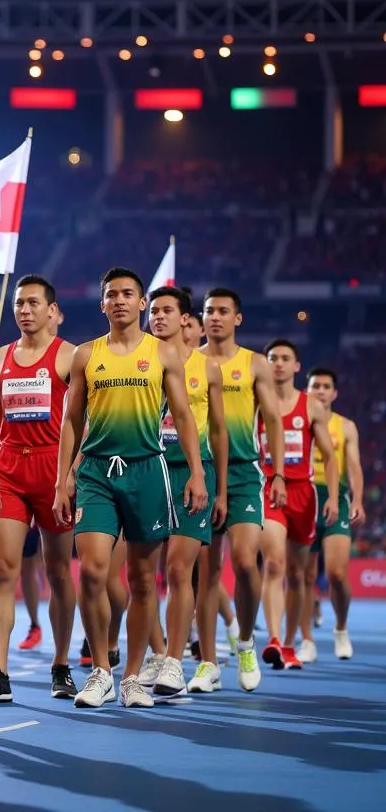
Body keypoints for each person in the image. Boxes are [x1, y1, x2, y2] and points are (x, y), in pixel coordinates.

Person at [53, 267, 207, 710]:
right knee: (94, 571)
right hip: (97, 472)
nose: (119, 301)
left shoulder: (163, 355)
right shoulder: (85, 355)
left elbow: (183, 417)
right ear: (102, 304)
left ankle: (134, 677)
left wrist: (196, 473)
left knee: (142, 580)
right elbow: (70, 421)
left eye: (127, 294)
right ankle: (101, 670)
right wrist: (65, 477)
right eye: (111, 295)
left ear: (141, 303)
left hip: (148, 470)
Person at [0, 275, 78, 704]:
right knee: (3, 568)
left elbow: (82, 424)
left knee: (57, 571)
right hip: (10, 471)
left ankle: (62, 664)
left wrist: (69, 476)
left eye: (33, 303)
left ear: (52, 310)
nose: (24, 310)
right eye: (18, 303)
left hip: (55, 473)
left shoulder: (70, 357)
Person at [142, 287, 228, 696]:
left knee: (178, 569)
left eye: (167, 311)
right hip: (145, 471)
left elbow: (219, 432)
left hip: (192, 474)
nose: (158, 317)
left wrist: (220, 489)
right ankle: (156, 653)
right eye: (153, 310)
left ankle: (175, 663)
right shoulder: (136, 361)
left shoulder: (207, 367)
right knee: (140, 574)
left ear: (185, 319)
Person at [199, 288, 285, 693]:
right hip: (200, 473)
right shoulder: (190, 361)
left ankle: (247, 643)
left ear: (238, 318)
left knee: (245, 562)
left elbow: (273, 420)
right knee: (206, 571)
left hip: (244, 473)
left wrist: (280, 474)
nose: (214, 317)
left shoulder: (254, 364)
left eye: (222, 311)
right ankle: (208, 663)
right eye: (208, 311)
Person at [257, 341, 339, 671]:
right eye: (272, 358)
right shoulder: (255, 403)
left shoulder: (311, 406)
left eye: (284, 359)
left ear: (296, 367)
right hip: (267, 489)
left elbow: (331, 457)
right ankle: (274, 638)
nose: (277, 363)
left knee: (297, 573)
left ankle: (290, 643)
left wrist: (333, 496)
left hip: (304, 494)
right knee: (274, 564)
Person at [301, 367, 364, 660]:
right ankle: (306, 640)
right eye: (316, 385)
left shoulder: (346, 426)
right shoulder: (298, 421)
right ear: (307, 388)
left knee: (337, 574)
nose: (321, 390)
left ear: (334, 393)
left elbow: (353, 467)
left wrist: (357, 501)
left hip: (334, 496)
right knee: (303, 575)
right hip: (303, 494)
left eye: (327, 386)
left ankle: (340, 628)